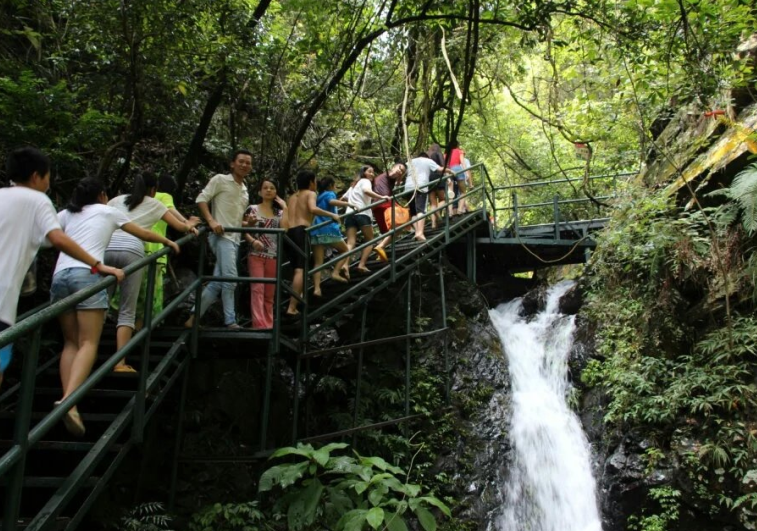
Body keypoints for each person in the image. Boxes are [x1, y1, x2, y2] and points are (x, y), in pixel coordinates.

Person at [53, 178, 178, 436]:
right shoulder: (108, 211)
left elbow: (49, 238)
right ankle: (69, 401)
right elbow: (143, 233)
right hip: (87, 274)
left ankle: (68, 401)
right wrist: (167, 243)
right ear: (101, 195)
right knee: (89, 342)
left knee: (71, 343)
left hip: (59, 276)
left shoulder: (66, 213)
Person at [0, 148, 124, 390]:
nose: (48, 183)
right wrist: (97, 264)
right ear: (36, 176)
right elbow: (57, 239)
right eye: (48, 177)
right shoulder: (37, 200)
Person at [106, 172, 195, 371]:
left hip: (105, 251)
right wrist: (192, 224)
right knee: (127, 311)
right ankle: (119, 362)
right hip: (132, 252)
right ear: (154, 189)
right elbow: (181, 226)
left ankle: (88, 350)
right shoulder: (155, 203)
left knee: (100, 304)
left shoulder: (116, 200)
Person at [185, 149, 252, 329]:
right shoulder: (220, 180)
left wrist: (247, 223)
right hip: (222, 237)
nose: (245, 165)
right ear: (232, 163)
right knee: (230, 278)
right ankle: (230, 320)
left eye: (248, 163)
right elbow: (201, 199)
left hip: (235, 238)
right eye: (241, 161)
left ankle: (192, 318)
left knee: (217, 282)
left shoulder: (244, 189)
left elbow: (235, 218)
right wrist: (211, 221)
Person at [285, 170, 340, 316]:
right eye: (315, 181)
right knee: (300, 269)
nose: (316, 184)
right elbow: (313, 209)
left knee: (295, 268)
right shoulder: (310, 193)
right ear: (310, 182)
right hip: (301, 232)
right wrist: (332, 214)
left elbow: (286, 216)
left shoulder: (292, 197)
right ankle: (292, 307)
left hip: (289, 232)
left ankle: (299, 296)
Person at [244, 178, 288, 329]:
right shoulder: (252, 208)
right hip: (255, 253)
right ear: (259, 192)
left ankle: (268, 324)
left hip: (273, 255)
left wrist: (286, 208)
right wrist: (252, 241)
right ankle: (259, 324)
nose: (269, 190)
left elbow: (286, 229)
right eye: (265, 188)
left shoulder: (279, 212)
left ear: (276, 192)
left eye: (272, 188)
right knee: (258, 288)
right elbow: (244, 230)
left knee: (269, 292)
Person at [311, 177, 352, 296]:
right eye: (334, 185)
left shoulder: (319, 196)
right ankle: (335, 272)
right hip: (329, 230)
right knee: (345, 250)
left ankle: (317, 288)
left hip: (316, 229)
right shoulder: (330, 194)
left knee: (318, 262)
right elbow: (331, 202)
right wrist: (348, 203)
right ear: (330, 185)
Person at [344, 166, 391, 272]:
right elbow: (366, 191)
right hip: (362, 213)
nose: (372, 174)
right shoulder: (365, 181)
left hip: (349, 214)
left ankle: (345, 265)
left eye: (373, 172)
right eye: (369, 171)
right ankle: (361, 264)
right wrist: (381, 197)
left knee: (350, 242)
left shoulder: (353, 186)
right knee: (370, 240)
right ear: (363, 173)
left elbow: (343, 199)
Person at [404, 154, 453, 242]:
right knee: (421, 210)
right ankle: (420, 233)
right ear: (426, 156)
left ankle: (416, 232)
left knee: (413, 212)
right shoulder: (427, 160)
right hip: (421, 186)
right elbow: (440, 169)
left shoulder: (410, 162)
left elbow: (404, 171)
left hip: (408, 187)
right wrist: (450, 171)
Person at [372, 162, 406, 258]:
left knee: (386, 232)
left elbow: (398, 184)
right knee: (401, 221)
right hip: (385, 203)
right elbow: (392, 174)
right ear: (393, 167)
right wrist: (398, 172)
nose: (400, 171)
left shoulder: (388, 179)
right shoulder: (388, 173)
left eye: (402, 171)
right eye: (399, 168)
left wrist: (400, 174)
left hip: (376, 206)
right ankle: (381, 246)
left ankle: (380, 253)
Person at [427, 143, 447, 229]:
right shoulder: (438, 153)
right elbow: (443, 165)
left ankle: (434, 224)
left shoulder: (427, 154)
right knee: (444, 199)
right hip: (438, 177)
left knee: (433, 203)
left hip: (428, 179)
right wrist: (447, 177)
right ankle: (438, 213)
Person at [445, 141, 467, 215]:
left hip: (449, 170)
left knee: (450, 193)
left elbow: (444, 165)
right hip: (458, 169)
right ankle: (460, 210)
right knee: (463, 191)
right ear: (456, 145)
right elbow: (463, 162)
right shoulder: (459, 151)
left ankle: (450, 212)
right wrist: (466, 173)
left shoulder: (446, 153)